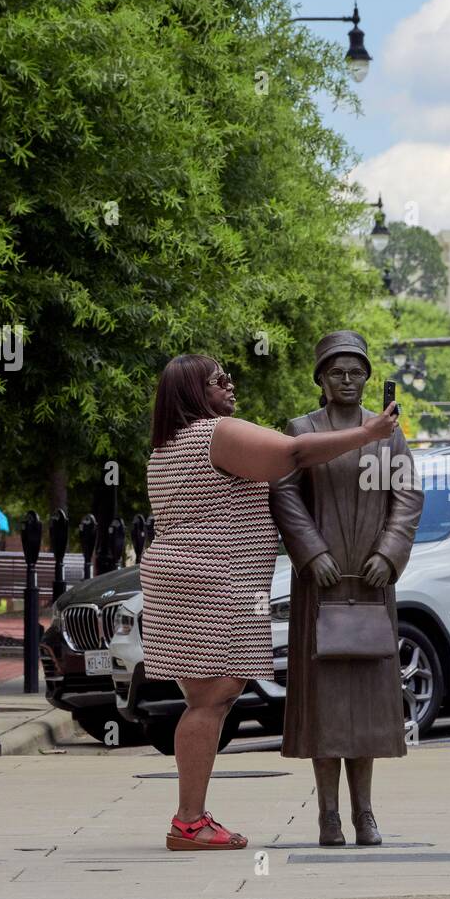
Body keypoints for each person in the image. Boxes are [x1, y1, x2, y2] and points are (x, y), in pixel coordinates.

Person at [141, 352, 399, 850]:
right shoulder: (217, 433)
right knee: (213, 699)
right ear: (197, 393)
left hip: (182, 579)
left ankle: (190, 819)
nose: (230, 384)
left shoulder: (169, 445)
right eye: (219, 380)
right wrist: (367, 435)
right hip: (214, 582)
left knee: (205, 700)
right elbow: (294, 454)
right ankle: (189, 822)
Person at [269, 331, 424, 847]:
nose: (348, 379)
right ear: (321, 378)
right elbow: (285, 495)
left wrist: (389, 552)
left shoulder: (387, 433)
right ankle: (328, 815)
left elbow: (407, 496)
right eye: (337, 371)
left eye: (356, 371)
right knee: (325, 707)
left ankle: (366, 814)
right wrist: (312, 553)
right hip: (321, 586)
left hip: (372, 581)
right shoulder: (300, 431)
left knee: (369, 707)